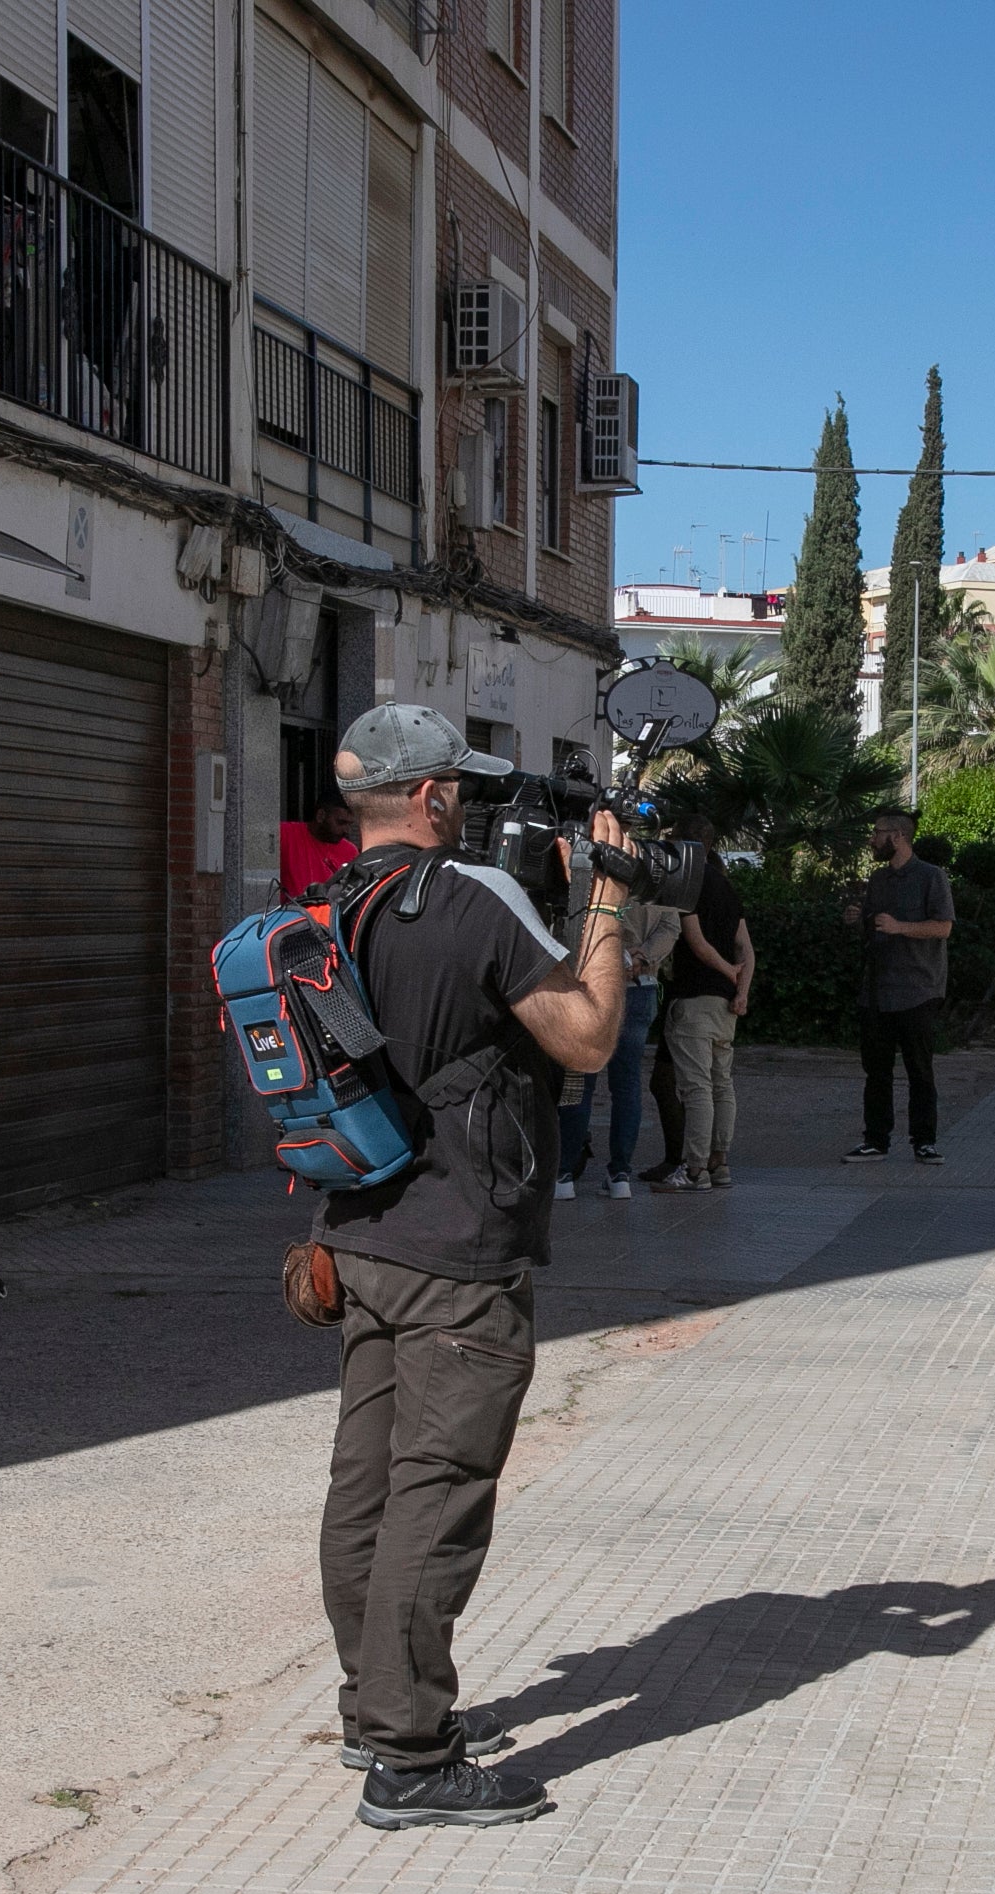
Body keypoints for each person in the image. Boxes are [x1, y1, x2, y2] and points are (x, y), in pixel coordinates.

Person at [310, 704, 639, 1830]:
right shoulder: (469, 899)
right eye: (463, 786)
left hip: (356, 1231)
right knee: (435, 1494)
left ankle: (371, 1708)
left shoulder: (315, 906)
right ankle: (410, 1755)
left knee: (368, 1480)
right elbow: (587, 1038)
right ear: (434, 795)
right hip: (458, 1246)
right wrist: (607, 892)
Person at [840, 809, 954, 1164]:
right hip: (877, 990)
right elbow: (874, 928)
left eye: (877, 833)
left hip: (918, 988)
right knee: (876, 1070)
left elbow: (943, 927)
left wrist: (901, 927)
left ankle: (924, 1140)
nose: (872, 839)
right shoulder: (878, 880)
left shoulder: (931, 877)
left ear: (898, 836)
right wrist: (856, 920)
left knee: (919, 1069)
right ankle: (876, 1139)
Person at [555, 894, 678, 1200]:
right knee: (627, 1084)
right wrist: (641, 957)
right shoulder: (656, 872)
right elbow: (670, 926)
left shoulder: (597, 869)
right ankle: (619, 1173)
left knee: (580, 1080)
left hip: (591, 984)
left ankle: (564, 1173)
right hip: (641, 986)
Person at [656, 817, 752, 1191]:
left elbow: (694, 941)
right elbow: (747, 947)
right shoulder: (727, 888)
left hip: (693, 998)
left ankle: (694, 1170)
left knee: (696, 1088)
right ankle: (719, 1162)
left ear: (683, 844)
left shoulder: (687, 884)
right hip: (725, 1004)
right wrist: (741, 989)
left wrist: (729, 971)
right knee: (721, 1084)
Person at [278, 793, 359, 900]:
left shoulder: (350, 851)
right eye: (341, 822)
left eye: (349, 824)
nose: (346, 830)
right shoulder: (285, 834)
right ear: (320, 816)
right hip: (291, 914)